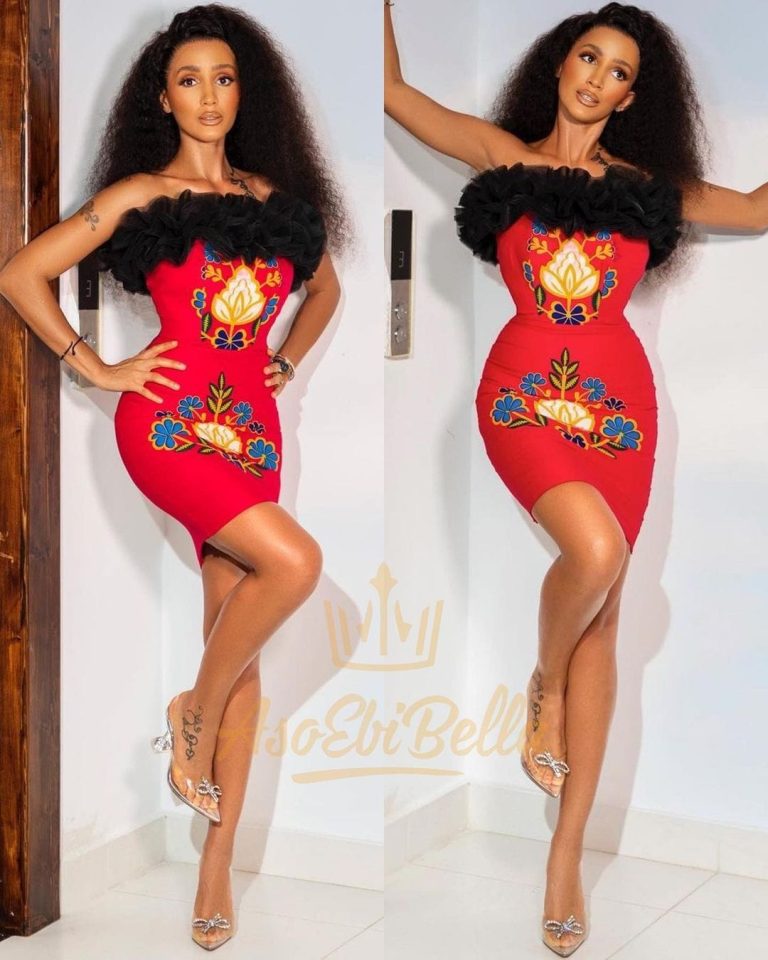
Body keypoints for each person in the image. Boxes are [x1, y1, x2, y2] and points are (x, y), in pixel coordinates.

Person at [384, 1, 767, 955]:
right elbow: (391, 92)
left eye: (619, 71)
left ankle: (564, 862)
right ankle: (543, 686)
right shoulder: (502, 156)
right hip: (523, 394)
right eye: (587, 57)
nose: (597, 78)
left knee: (606, 621)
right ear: (559, 66)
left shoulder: (646, 188)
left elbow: (760, 209)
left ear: (633, 97)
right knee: (592, 555)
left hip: (622, 411)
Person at [0, 3, 350, 950]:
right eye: (189, 79)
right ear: (162, 97)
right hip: (168, 424)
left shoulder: (275, 199)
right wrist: (95, 365)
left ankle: (213, 869)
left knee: (241, 643)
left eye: (224, 78)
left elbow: (326, 288)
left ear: (244, 93)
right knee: (296, 565)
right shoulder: (141, 195)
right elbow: (20, 273)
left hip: (253, 432)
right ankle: (192, 711)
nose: (208, 95)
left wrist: (287, 359)